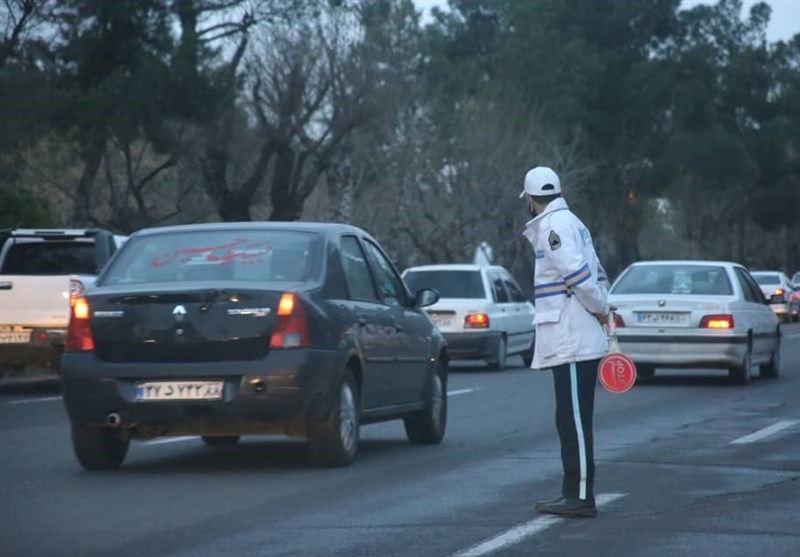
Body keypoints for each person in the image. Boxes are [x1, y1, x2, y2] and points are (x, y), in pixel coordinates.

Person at [519, 166, 612, 518]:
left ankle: (582, 495)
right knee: (569, 419)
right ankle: (572, 491)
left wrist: (601, 307)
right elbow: (598, 272)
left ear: (530, 198)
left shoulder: (555, 227)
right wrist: (601, 304)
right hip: (570, 335)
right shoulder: (571, 223)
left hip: (572, 337)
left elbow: (580, 276)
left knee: (574, 420)